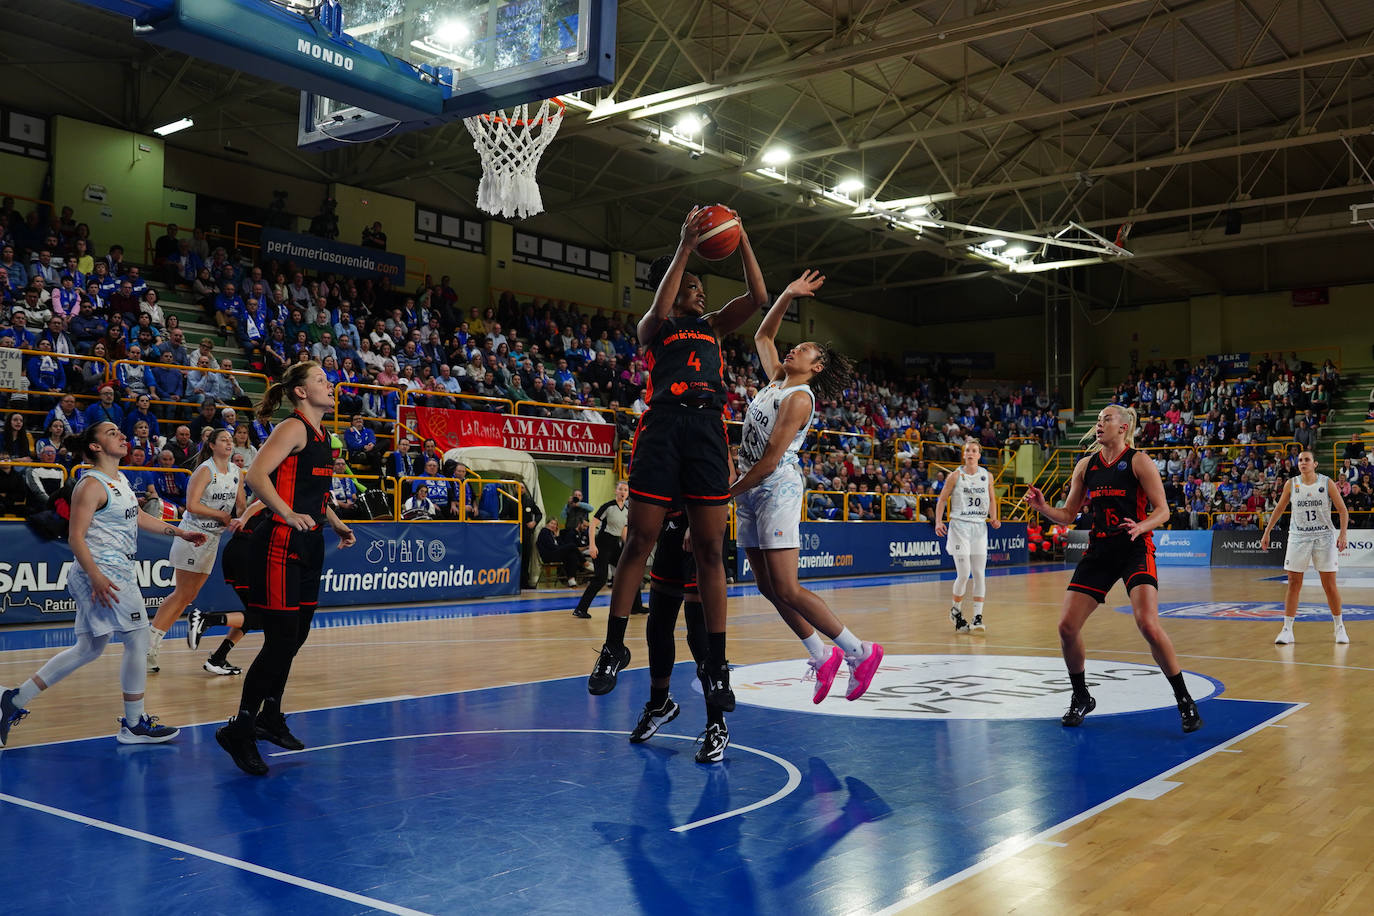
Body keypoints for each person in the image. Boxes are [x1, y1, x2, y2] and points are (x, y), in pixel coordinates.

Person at [586, 205, 768, 709]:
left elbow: (758, 297)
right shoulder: (656, 326)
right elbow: (658, 314)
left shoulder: (712, 325)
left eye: (700, 287)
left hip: (707, 430)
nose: (700, 292)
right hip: (663, 428)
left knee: (711, 551)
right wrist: (686, 246)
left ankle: (716, 662)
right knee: (639, 539)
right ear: (672, 285)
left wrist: (743, 236)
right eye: (692, 285)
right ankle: (613, 646)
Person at [0, 423, 207, 748]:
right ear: (95, 447)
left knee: (88, 648)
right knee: (139, 641)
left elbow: (138, 516)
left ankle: (12, 701)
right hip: (104, 571)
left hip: (111, 568)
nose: (121, 435)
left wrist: (180, 532)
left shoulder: (119, 480)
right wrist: (96, 575)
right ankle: (134, 723)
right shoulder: (91, 485)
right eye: (111, 433)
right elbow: (75, 536)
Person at [729, 269, 883, 702]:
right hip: (750, 487)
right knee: (764, 586)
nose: (792, 348)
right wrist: (788, 295)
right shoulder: (777, 379)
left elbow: (769, 461)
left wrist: (725, 494)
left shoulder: (799, 398)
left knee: (788, 587)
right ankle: (821, 656)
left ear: (815, 367)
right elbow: (762, 334)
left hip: (773, 486)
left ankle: (859, 651)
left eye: (803, 349)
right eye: (794, 346)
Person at [213, 362, 356, 777]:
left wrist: (333, 520)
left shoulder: (325, 436)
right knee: (280, 641)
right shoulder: (291, 428)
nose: (328, 385)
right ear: (298, 392)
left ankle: (270, 714)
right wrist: (287, 513)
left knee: (297, 636)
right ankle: (239, 729)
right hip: (280, 541)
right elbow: (257, 476)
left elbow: (312, 491)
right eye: (319, 380)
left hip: (311, 541)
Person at [1023, 405, 1203, 733]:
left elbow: (1163, 511)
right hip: (1101, 551)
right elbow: (1067, 515)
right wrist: (1043, 508)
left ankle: (1184, 699)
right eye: (1098, 420)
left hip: (1134, 548)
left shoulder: (1138, 461)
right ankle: (1081, 696)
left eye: (1106, 419)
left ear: (1123, 428)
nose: (1099, 424)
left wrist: (1141, 526)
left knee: (1147, 624)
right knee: (1066, 626)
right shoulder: (1085, 465)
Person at [628, 508, 730, 763]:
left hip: (700, 525)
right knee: (658, 623)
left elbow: (726, 476)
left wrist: (697, 523)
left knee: (699, 635)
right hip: (670, 527)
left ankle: (717, 724)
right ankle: (660, 704)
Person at [145, 428, 245, 672]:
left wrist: (244, 519)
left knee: (188, 596)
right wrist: (221, 514)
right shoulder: (204, 470)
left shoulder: (236, 472)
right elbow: (191, 504)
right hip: (193, 535)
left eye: (230, 440)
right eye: (223, 440)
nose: (229, 443)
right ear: (211, 445)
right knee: (182, 594)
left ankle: (149, 646)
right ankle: (148, 648)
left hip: (213, 538)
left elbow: (241, 506)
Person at [1261, 450, 1350, 645]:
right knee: (1293, 582)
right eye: (1300, 460)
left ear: (1315, 464)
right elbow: (1279, 509)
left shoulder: (1326, 483)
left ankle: (1339, 627)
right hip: (1298, 536)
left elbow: (1343, 510)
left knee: (1329, 585)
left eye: (1307, 460)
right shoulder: (1291, 484)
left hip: (1323, 537)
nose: (1303, 462)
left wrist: (1343, 534)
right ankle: (1287, 630)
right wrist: (1267, 531)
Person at [935, 439, 1002, 633]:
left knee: (980, 574)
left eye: (974, 451)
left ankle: (978, 617)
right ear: (964, 454)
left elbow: (991, 498)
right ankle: (955, 611)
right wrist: (939, 522)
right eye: (968, 451)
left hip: (979, 528)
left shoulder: (987, 476)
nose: (971, 454)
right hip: (959, 527)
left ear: (979, 455)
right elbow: (941, 500)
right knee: (964, 573)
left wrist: (994, 518)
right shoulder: (955, 476)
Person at [571, 480, 646, 618]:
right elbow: (593, 525)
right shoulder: (608, 506)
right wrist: (592, 545)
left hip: (615, 545)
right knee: (601, 578)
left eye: (625, 490)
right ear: (615, 491)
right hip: (602, 543)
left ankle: (636, 606)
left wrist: (630, 547)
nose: (623, 492)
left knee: (631, 571)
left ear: (628, 493)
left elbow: (623, 531)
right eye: (620, 489)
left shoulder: (628, 511)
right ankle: (580, 609)